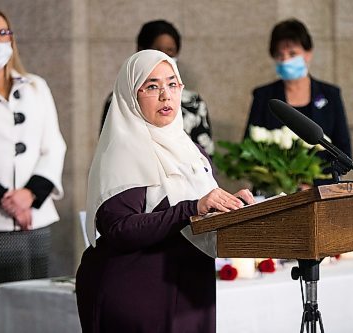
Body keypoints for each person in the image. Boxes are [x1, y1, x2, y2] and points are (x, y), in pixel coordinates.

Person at [76, 50, 254, 332]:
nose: (165, 95)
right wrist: (190, 208)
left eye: (172, 84)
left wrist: (235, 207)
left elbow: (203, 209)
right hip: (137, 293)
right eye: (152, 86)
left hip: (191, 289)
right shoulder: (123, 151)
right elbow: (120, 229)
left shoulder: (191, 151)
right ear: (130, 95)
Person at [0, 6, 66, 299]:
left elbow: (54, 146)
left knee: (32, 303)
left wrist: (30, 194)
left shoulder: (35, 86)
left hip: (35, 218)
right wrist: (5, 199)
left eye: (3, 33)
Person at [243, 19, 352, 185]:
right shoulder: (263, 96)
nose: (285, 61)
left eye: (292, 54)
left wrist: (312, 182)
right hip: (275, 193)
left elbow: (343, 149)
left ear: (308, 53)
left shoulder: (330, 95)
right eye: (280, 55)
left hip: (320, 190)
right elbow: (248, 147)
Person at [101, 19, 214, 155]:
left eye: (170, 51)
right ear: (141, 51)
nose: (165, 97)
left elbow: (205, 153)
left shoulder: (193, 102)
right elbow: (109, 147)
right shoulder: (120, 100)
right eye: (152, 87)